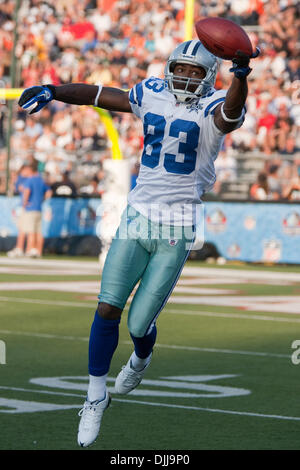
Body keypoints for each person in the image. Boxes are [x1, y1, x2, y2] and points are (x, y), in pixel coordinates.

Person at [18, 39, 260, 447]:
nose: (184, 77)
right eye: (180, 69)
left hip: (177, 226)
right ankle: (95, 396)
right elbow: (99, 95)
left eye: (194, 72)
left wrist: (239, 74)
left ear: (209, 77)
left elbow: (231, 112)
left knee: (137, 323)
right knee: (107, 305)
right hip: (137, 217)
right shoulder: (152, 92)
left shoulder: (216, 102)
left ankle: (142, 355)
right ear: (171, 68)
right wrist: (55, 90)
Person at [22, 160, 52, 257]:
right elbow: (49, 193)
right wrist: (42, 200)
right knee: (39, 232)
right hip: (39, 209)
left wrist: (25, 202)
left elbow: (27, 191)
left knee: (31, 231)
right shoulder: (41, 180)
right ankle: (38, 251)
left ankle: (30, 250)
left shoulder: (30, 180)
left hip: (30, 209)